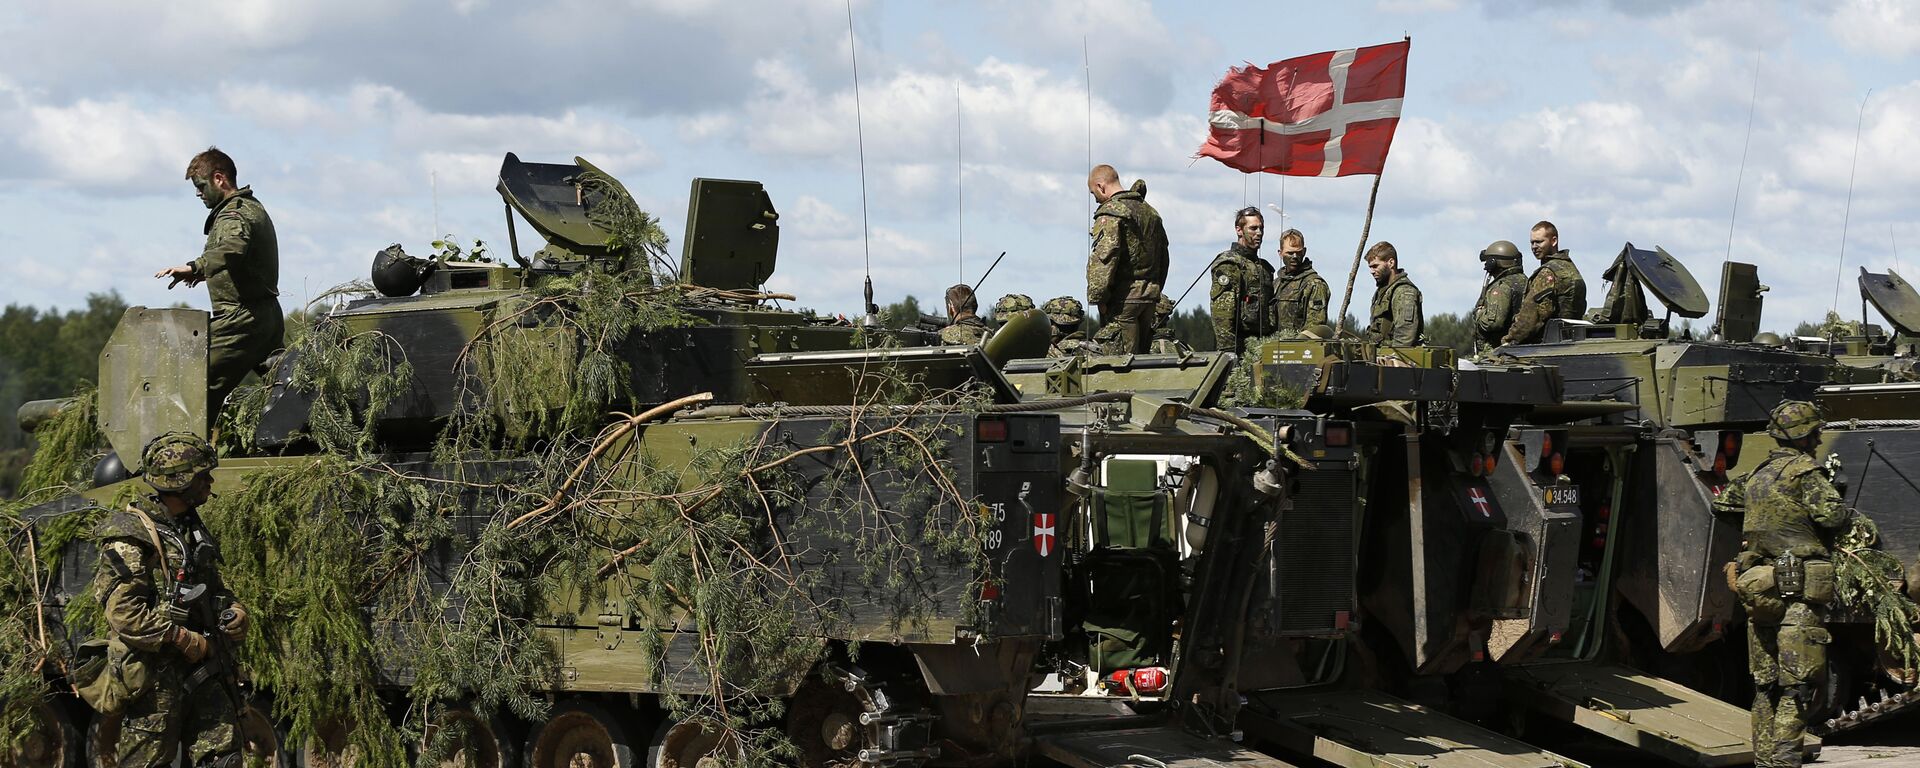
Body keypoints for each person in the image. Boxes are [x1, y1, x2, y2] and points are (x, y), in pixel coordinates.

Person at [92, 432, 250, 768]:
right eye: (201, 475)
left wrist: (235, 610)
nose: (209, 481)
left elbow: (213, 586)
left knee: (225, 760)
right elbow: (124, 613)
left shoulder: (188, 527)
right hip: (155, 678)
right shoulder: (132, 533)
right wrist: (182, 638)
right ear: (178, 481)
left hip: (203, 670)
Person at [1715, 401, 1859, 768]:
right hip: (1800, 593)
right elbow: (1832, 514)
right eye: (1815, 432)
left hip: (1761, 588)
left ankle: (1765, 761)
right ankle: (1784, 763)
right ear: (1804, 436)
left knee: (1764, 685)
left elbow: (1724, 503)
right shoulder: (1805, 472)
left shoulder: (1757, 475)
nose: (1818, 438)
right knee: (1798, 684)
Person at [153, 148, 284, 421]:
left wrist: (195, 266)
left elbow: (233, 247)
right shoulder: (252, 207)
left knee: (191, 385)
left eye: (201, 186)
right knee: (286, 388)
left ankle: (182, 458)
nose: (198, 194)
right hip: (266, 316)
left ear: (219, 179)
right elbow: (242, 257)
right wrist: (203, 274)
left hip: (241, 320)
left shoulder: (232, 215)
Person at [1085, 165, 1169, 355]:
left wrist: (1098, 297)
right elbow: (1163, 256)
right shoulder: (1150, 212)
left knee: (1120, 362)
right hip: (1150, 296)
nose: (1095, 199)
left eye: (1094, 193)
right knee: (1141, 359)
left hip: (1123, 300)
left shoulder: (1112, 212)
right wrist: (1155, 287)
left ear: (1101, 186)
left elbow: (1105, 257)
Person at [1502, 220, 1586, 346]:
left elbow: (1529, 318)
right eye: (1532, 242)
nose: (1534, 246)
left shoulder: (1548, 273)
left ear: (1553, 241)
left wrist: (1508, 342)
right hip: (1571, 341)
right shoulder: (1569, 268)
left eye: (1539, 242)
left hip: (1548, 344)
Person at [1208, 207, 1276, 355]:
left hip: (1262, 347)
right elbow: (1222, 315)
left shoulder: (1264, 268)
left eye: (1261, 228)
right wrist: (1229, 354)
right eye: (1253, 228)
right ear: (1239, 230)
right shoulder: (1230, 264)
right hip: (1240, 349)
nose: (1259, 233)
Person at [1363, 242, 1426, 346]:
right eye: (1370, 267)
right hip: (1381, 356)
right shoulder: (1382, 292)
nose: (1372, 271)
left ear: (1391, 263)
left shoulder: (1404, 292)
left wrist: (1389, 358)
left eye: (1375, 266)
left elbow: (1404, 338)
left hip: (1396, 358)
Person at [1470, 240, 1529, 349]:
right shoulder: (1525, 281)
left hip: (1497, 352)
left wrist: (1479, 313)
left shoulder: (1501, 287)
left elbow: (1492, 323)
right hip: (1519, 347)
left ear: (1493, 263)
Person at [1272, 228, 1330, 338]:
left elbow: (1314, 329)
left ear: (1304, 252)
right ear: (1280, 253)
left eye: (1298, 253)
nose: (1294, 257)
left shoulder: (1314, 284)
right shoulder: (1276, 284)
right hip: (1274, 349)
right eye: (1290, 253)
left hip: (1299, 350)